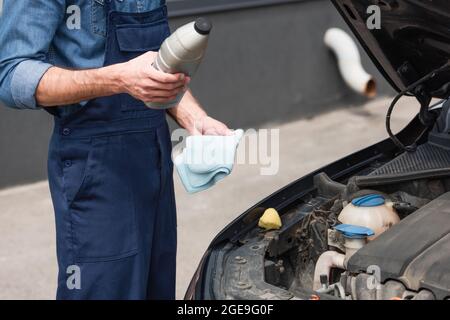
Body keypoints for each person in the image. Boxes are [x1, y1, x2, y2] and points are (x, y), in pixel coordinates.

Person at [0, 0, 230, 300]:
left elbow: (158, 65)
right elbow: (13, 73)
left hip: (153, 156)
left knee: (155, 290)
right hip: (95, 167)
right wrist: (117, 78)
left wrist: (195, 118)